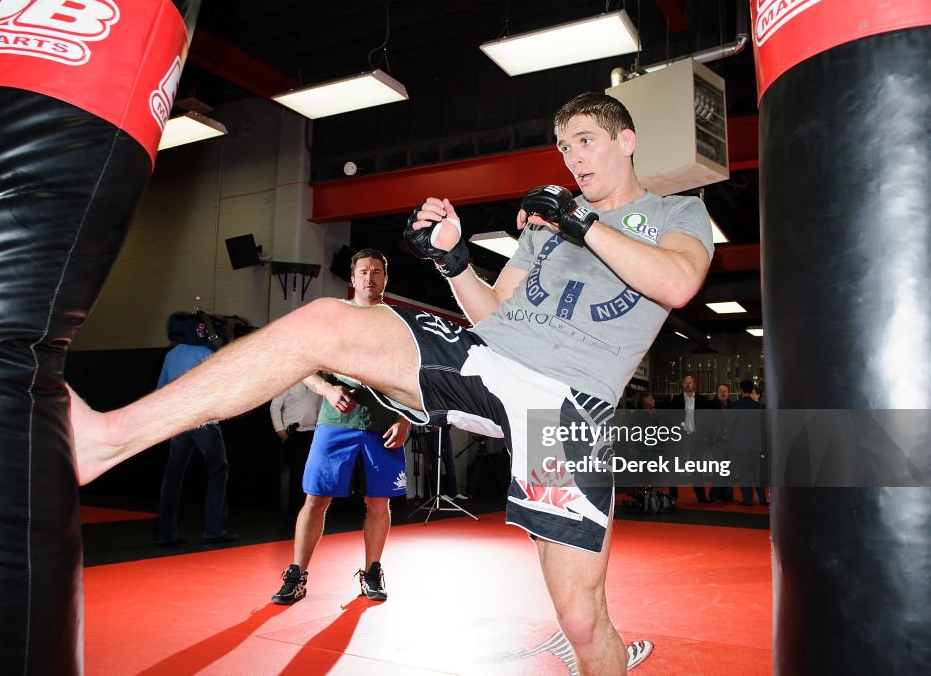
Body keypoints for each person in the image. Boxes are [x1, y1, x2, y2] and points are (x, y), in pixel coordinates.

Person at [69, 92, 712, 675]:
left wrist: (581, 225)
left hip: (564, 408)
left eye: (586, 140)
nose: (573, 158)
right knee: (327, 320)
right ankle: (110, 436)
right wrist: (452, 260)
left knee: (579, 617)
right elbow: (496, 319)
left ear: (626, 140)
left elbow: (678, 283)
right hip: (491, 366)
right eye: (565, 146)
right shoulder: (546, 230)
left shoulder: (678, 211)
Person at [271, 248, 411, 605]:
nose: (370, 277)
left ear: (385, 279)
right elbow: (304, 366)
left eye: (377, 271)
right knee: (316, 499)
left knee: (378, 503)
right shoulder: (333, 317)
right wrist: (328, 389)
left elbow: (412, 378)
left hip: (383, 425)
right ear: (352, 279)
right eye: (363, 271)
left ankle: (372, 571)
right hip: (335, 424)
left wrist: (406, 418)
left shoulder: (397, 324)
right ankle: (296, 574)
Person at [155, 342, 233, 545]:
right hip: (203, 419)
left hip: (179, 421)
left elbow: (161, 389)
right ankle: (214, 530)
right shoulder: (205, 352)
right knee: (218, 471)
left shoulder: (172, 354)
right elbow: (219, 383)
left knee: (173, 476)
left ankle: (166, 534)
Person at [269, 380, 321, 511]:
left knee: (312, 473)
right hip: (293, 433)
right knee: (297, 473)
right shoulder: (290, 382)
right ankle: (297, 510)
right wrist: (280, 431)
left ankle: (310, 508)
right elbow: (274, 406)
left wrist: (320, 429)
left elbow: (320, 408)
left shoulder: (318, 384)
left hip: (312, 433)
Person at [669, 374, 713, 502]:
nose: (687, 385)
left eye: (690, 382)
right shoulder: (676, 400)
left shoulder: (703, 400)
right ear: (682, 385)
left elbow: (707, 421)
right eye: (685, 382)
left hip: (696, 438)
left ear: (694, 385)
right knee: (676, 466)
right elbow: (672, 420)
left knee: (697, 467)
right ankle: (673, 495)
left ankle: (701, 495)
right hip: (681, 438)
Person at [730, 379, 768, 506]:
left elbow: (731, 426)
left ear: (740, 391)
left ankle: (748, 500)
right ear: (752, 390)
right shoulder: (760, 407)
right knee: (758, 473)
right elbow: (764, 428)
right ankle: (762, 498)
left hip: (740, 445)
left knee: (744, 473)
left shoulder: (735, 406)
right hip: (756, 445)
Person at [708, 382, 734, 503]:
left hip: (730, 442)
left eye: (725, 391)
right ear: (716, 393)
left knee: (729, 470)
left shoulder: (732, 405)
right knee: (719, 470)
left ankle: (728, 495)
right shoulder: (711, 406)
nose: (723, 393)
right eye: (721, 391)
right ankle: (715, 495)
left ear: (729, 393)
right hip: (717, 443)